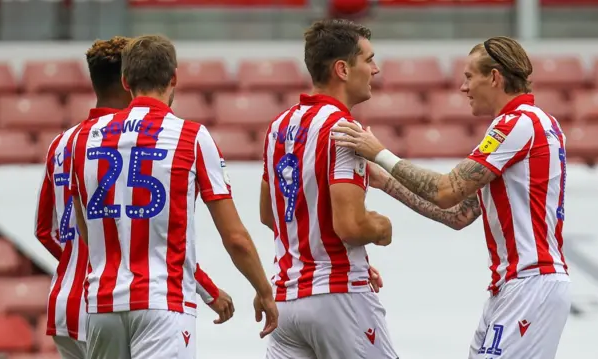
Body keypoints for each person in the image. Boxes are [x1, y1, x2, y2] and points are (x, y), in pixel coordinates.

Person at [331, 36, 571, 359]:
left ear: (495, 77)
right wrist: (385, 181)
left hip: (529, 282)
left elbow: (446, 191)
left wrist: (381, 153)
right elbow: (457, 215)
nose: (463, 87)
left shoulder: (516, 124)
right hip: (514, 284)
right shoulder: (537, 123)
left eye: (470, 76)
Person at [68, 34, 277, 359]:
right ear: (174, 78)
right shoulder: (191, 136)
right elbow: (235, 237)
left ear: (126, 81)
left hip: (102, 305)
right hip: (162, 303)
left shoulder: (83, 139)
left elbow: (84, 227)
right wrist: (264, 290)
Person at [34, 36, 235, 359]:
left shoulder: (65, 142)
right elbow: (151, 239)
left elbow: (46, 230)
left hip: (66, 303)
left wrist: (81, 263)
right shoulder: (149, 141)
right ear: (127, 82)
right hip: (120, 298)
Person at [259, 19, 398, 359]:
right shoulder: (344, 130)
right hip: (338, 296)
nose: (375, 69)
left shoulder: (279, 125)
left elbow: (268, 214)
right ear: (342, 69)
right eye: (368, 59)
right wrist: (382, 227)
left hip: (287, 301)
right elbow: (351, 227)